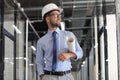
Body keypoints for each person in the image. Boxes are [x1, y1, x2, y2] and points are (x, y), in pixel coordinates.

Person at [36, 3, 83, 80]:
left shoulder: (69, 35)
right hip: (49, 77)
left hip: (67, 76)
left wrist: (69, 55)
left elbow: (80, 52)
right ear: (47, 19)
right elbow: (39, 61)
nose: (59, 18)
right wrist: (42, 76)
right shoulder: (41, 41)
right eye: (55, 15)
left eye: (59, 15)